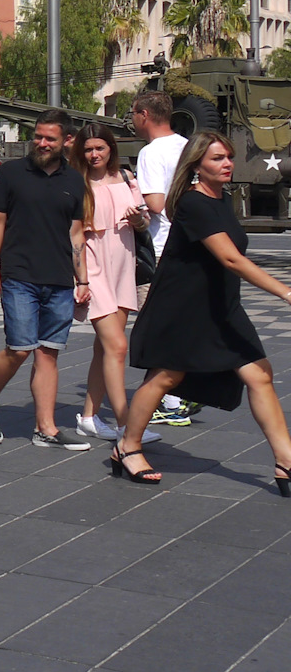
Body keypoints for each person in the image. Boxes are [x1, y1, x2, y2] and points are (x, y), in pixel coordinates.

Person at [113, 130, 291, 493]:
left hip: (219, 307)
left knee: (260, 374)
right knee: (166, 377)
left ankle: (286, 462)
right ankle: (127, 446)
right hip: (183, 309)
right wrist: (285, 291)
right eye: (217, 158)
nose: (227, 164)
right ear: (197, 165)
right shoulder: (193, 204)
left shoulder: (221, 199)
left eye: (228, 157)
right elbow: (230, 258)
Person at [0, 110, 90, 449]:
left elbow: (77, 233)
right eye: (38, 136)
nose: (41, 143)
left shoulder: (74, 180)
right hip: (19, 274)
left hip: (59, 280)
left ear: (66, 141)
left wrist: (82, 280)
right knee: (20, 349)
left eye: (49, 138)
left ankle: (46, 427)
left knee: (48, 353)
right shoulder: (12, 173)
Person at [73, 123, 148, 441]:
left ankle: (88, 417)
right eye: (88, 149)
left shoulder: (128, 178)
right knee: (117, 347)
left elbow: (144, 221)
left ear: (110, 149)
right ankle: (126, 425)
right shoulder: (77, 183)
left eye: (99, 148)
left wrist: (138, 220)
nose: (94, 154)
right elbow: (74, 236)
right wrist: (82, 280)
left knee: (103, 349)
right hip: (95, 272)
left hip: (124, 268)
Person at [130, 91, 194, 424]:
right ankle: (179, 392)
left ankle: (169, 400)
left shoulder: (151, 153)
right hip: (191, 244)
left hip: (161, 248)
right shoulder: (188, 145)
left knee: (156, 327)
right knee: (179, 322)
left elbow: (156, 203)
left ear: (144, 114)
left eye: (132, 114)